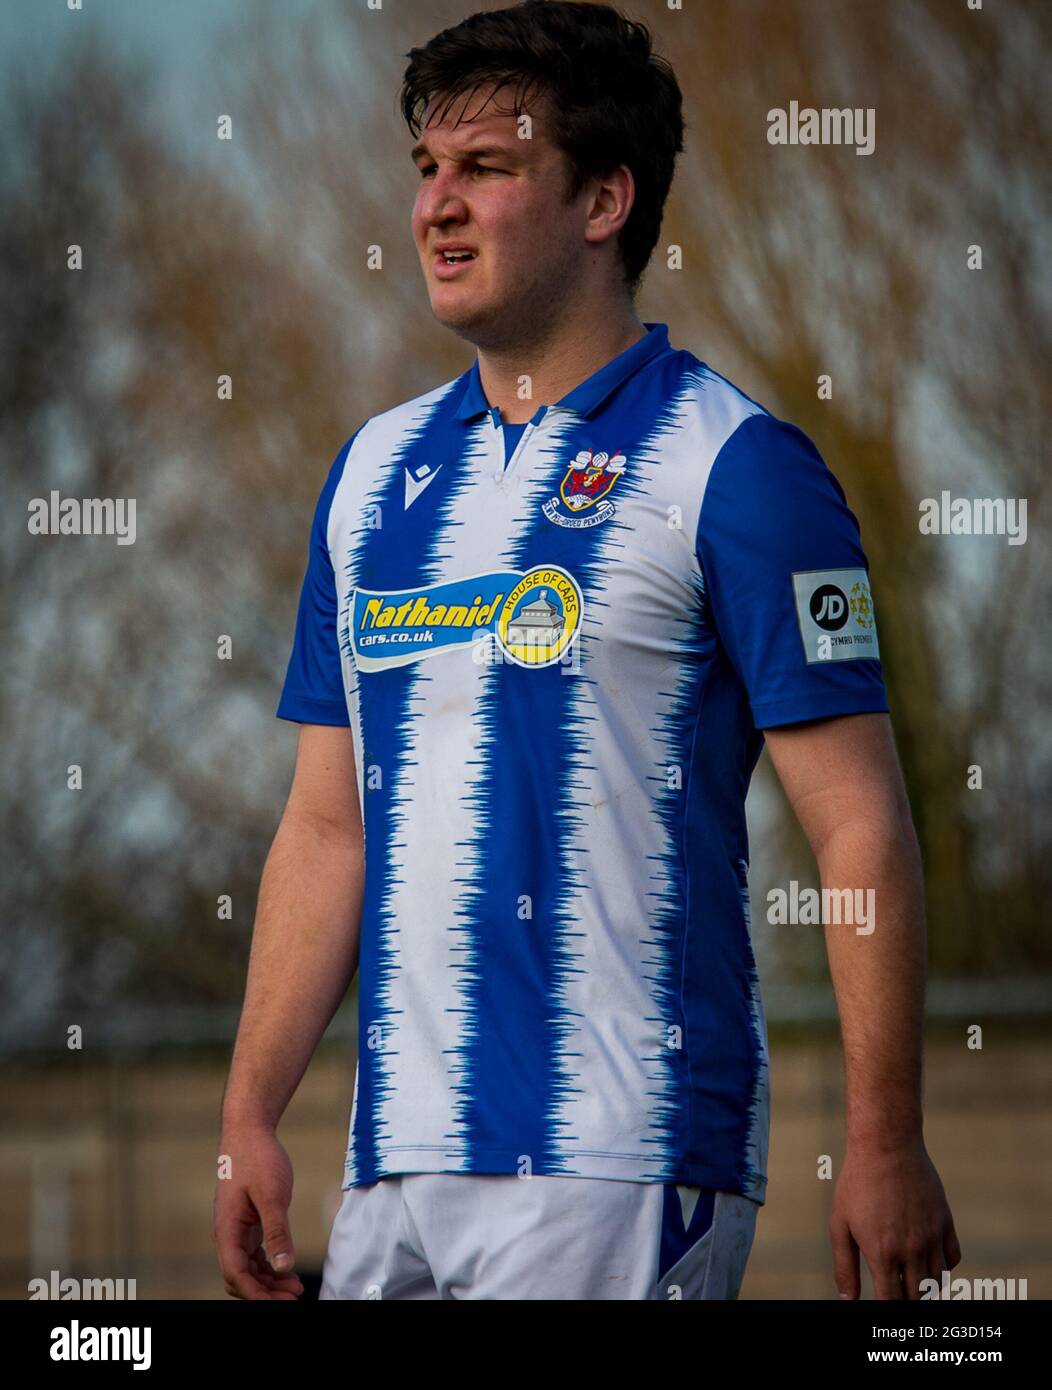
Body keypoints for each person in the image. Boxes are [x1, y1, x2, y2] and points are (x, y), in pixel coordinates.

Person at [214, 0, 960, 1301]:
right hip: (388, 1170)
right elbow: (327, 826)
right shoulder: (371, 475)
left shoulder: (739, 469)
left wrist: (886, 1136)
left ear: (606, 198)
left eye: (488, 169)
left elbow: (858, 826)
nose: (436, 206)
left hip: (621, 1159)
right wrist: (248, 1108)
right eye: (426, 170)